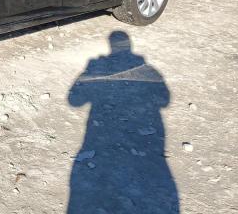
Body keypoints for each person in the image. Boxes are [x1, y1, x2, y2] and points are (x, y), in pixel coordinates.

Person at [67, 31, 179, 213]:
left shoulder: (96, 65)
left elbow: (74, 101)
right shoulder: (149, 69)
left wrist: (89, 73)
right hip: (145, 145)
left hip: (97, 137)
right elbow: (165, 101)